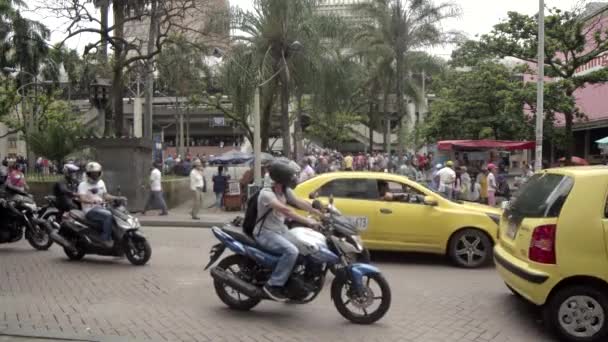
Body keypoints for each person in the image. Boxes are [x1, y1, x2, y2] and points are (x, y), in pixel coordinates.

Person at [254, 161, 323, 302]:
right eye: (290, 177)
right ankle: (273, 285)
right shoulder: (266, 194)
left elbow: (298, 202)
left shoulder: (284, 190)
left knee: (306, 245)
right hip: (266, 233)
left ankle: (295, 281)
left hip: (280, 230)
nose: (294, 180)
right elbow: (286, 211)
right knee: (291, 251)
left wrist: (318, 212)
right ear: (282, 178)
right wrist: (308, 221)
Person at [77, 162, 123, 248]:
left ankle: (117, 238)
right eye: (92, 174)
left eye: (96, 173)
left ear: (99, 173)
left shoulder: (101, 182)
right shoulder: (82, 185)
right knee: (108, 216)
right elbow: (82, 199)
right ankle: (104, 239)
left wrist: (117, 198)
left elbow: (106, 195)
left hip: (102, 208)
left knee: (117, 214)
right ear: (88, 174)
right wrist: (91, 201)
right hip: (90, 210)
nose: (94, 175)